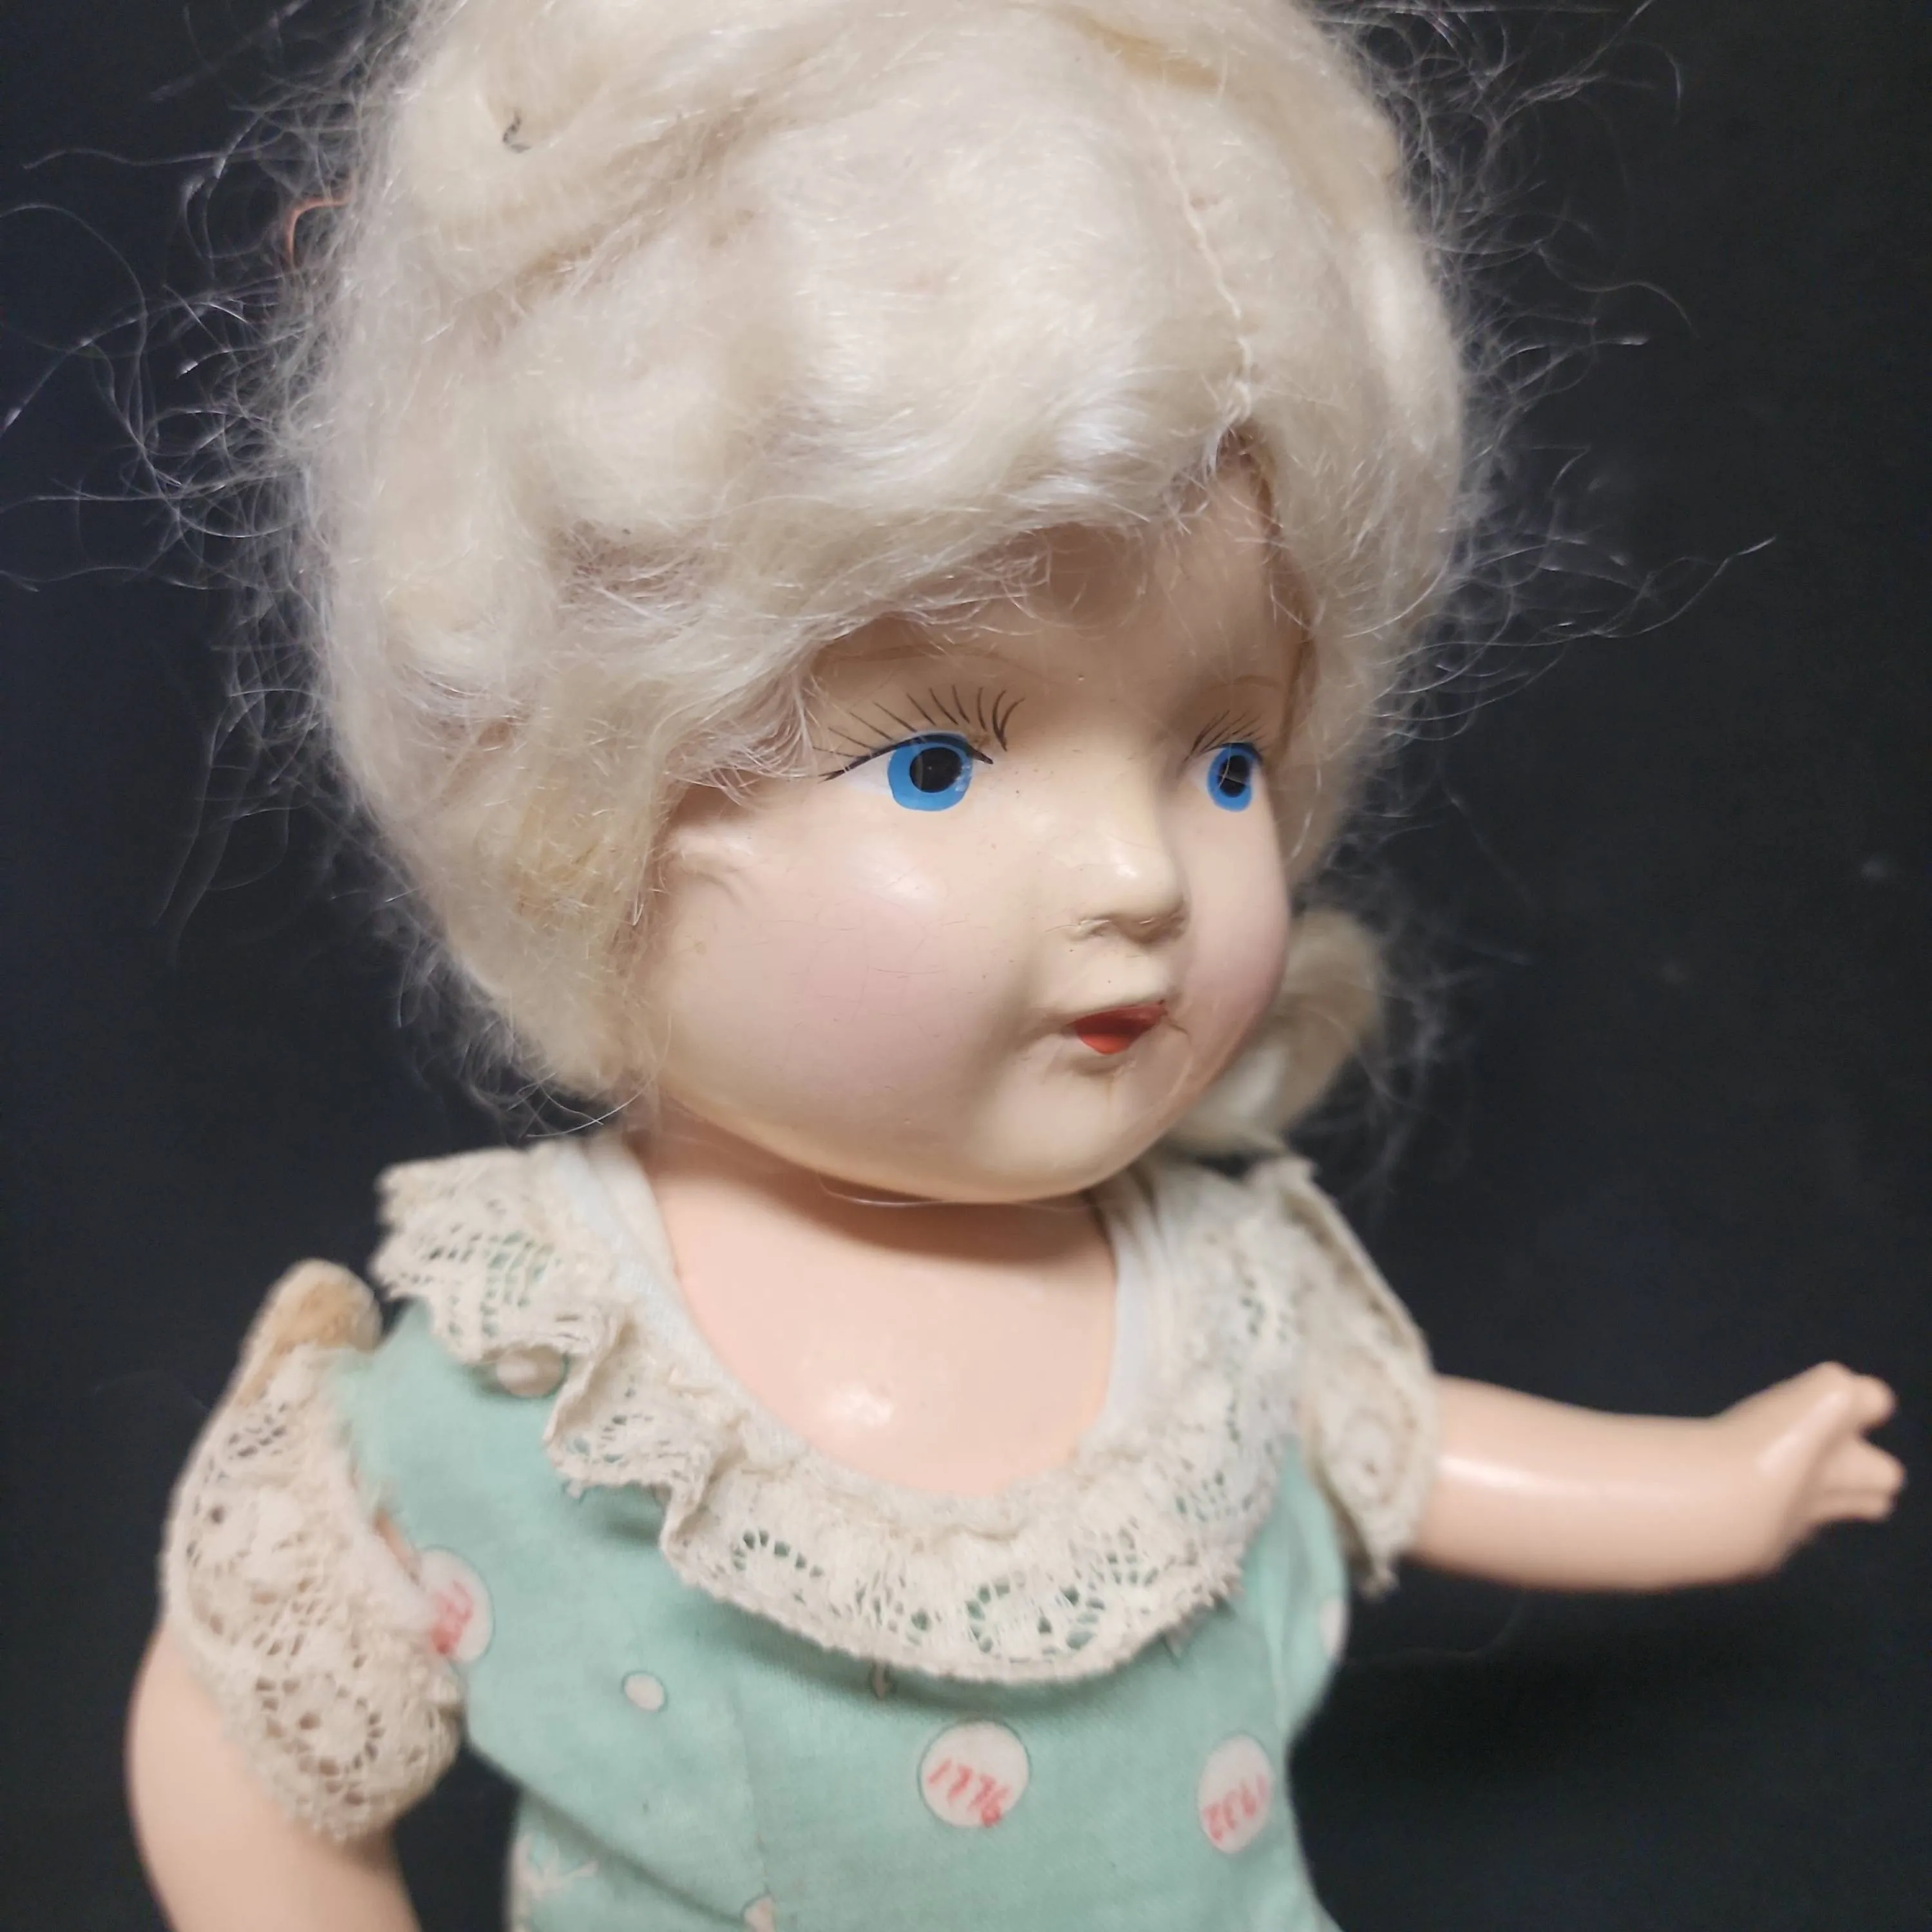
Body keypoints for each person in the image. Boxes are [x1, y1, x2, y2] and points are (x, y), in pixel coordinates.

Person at [124, 3, 1901, 1927]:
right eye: (938, 762)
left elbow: (1414, 1445)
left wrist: (1710, 1488)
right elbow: (240, 1748)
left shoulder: (1207, 1300)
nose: (1141, 874)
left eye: (1226, 760)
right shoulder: (545, 1377)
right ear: (581, 803)